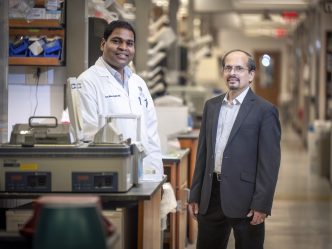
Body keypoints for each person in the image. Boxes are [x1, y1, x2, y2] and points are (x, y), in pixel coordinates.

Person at [188, 49, 281, 249]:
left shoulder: (265, 111)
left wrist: (262, 204)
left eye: (239, 68)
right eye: (228, 67)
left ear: (251, 74)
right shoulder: (211, 106)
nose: (233, 73)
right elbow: (203, 154)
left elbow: (269, 163)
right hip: (211, 195)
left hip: (247, 199)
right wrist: (195, 194)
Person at [76, 20, 163, 181]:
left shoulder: (138, 83)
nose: (123, 47)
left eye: (129, 43)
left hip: (144, 176)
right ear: (103, 44)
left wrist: (157, 177)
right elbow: (87, 136)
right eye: (116, 41)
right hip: (108, 176)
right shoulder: (87, 81)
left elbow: (151, 134)